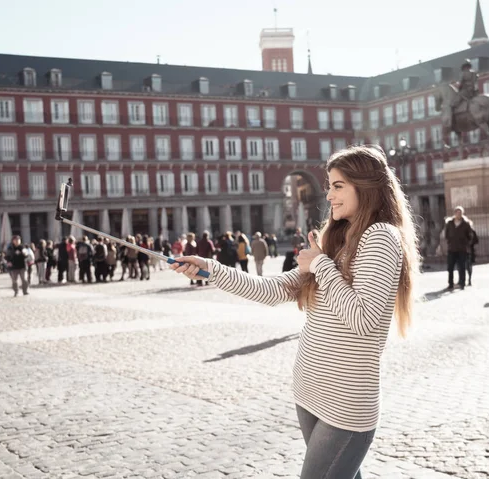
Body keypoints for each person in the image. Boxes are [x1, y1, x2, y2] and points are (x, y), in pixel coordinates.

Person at [170, 145, 419, 479]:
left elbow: (363, 320)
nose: (328, 195)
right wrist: (210, 270)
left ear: (367, 186)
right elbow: (271, 290)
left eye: (338, 186)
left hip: (346, 404)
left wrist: (320, 264)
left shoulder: (381, 237)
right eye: (329, 185)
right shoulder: (338, 240)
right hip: (309, 391)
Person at [444, 206, 473, 290]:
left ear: (462, 214)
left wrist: (466, 243)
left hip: (462, 249)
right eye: (457, 212)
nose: (458, 214)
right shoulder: (450, 223)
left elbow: (470, 235)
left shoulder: (466, 224)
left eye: (460, 212)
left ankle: (462, 283)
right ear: (454, 213)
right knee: (450, 267)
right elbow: (446, 234)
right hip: (451, 249)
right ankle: (450, 283)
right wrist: (450, 241)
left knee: (462, 267)